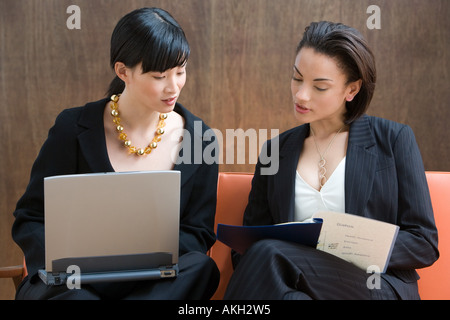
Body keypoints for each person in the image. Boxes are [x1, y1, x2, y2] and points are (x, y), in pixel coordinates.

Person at [12, 7, 220, 300]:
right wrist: (65, 265)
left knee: (201, 267)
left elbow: (197, 233)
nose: (173, 87)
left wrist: (140, 261)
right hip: (73, 281)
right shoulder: (72, 128)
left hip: (151, 281)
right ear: (123, 71)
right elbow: (30, 216)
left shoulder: (201, 140)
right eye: (160, 76)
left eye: (181, 71)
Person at [224, 21, 439, 300]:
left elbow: (424, 243)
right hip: (298, 288)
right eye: (297, 78)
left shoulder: (394, 139)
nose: (301, 94)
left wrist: (348, 244)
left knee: (269, 252)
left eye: (320, 87)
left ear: (351, 90)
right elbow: (246, 249)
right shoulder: (274, 152)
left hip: (375, 286)